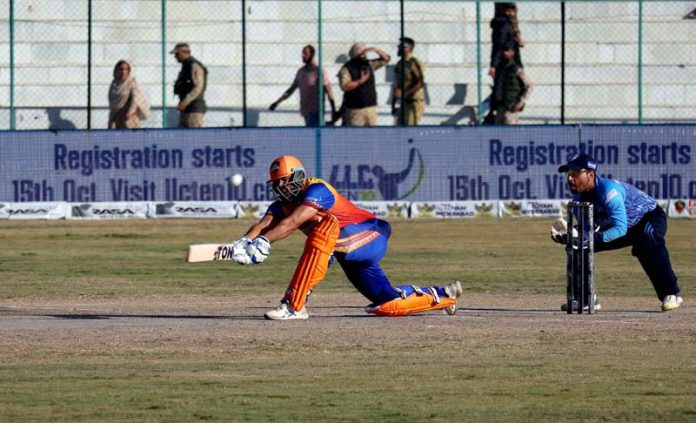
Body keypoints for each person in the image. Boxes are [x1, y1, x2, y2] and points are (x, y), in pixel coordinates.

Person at [229, 155, 463, 320]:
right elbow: (262, 224)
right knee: (386, 304)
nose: (280, 186)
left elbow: (291, 223)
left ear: (298, 177)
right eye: (276, 183)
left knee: (324, 234)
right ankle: (444, 296)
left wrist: (265, 242)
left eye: (284, 180)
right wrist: (244, 242)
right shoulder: (282, 204)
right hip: (348, 252)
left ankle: (294, 306)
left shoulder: (317, 190)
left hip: (371, 233)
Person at [550, 153, 683, 312]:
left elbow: (619, 229)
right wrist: (572, 237)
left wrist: (593, 237)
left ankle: (671, 294)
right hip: (621, 226)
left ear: (591, 175)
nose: (570, 178)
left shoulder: (609, 191)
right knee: (579, 245)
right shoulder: (579, 201)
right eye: (569, 174)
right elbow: (589, 230)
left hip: (648, 218)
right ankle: (586, 298)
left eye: (576, 174)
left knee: (648, 240)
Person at [269, 45, 337, 127]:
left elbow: (329, 91)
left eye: (305, 53)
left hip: (316, 113)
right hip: (305, 113)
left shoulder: (319, 71)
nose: (302, 55)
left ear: (312, 55)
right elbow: (291, 90)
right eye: (302, 53)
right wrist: (277, 102)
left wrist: (333, 111)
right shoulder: (301, 72)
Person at [338, 42, 391, 126]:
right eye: (362, 53)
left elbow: (386, 59)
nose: (365, 55)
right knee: (356, 136)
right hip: (355, 110)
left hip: (371, 107)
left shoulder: (369, 64)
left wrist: (376, 50)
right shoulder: (347, 68)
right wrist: (360, 81)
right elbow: (345, 86)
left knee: (371, 136)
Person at [490, 44, 532, 125]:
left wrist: (521, 102)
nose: (504, 53)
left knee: (510, 135)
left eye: (507, 51)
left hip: (511, 109)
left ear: (512, 53)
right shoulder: (500, 69)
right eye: (503, 51)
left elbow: (529, 85)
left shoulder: (516, 69)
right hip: (500, 108)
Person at [171, 42, 208, 128]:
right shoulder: (186, 66)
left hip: (194, 108)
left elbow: (198, 87)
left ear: (185, 53)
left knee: (194, 137)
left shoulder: (194, 66)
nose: (175, 57)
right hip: (186, 108)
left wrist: (185, 101)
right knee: (183, 136)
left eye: (177, 54)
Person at [392, 37, 426, 126]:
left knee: (409, 130)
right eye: (399, 46)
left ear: (409, 48)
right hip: (404, 103)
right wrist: (394, 103)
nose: (399, 48)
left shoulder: (413, 62)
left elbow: (420, 82)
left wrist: (404, 94)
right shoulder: (399, 64)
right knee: (399, 128)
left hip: (414, 102)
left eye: (402, 46)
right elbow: (398, 86)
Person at [108, 60, 150, 129]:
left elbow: (135, 99)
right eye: (121, 69)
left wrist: (130, 112)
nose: (123, 72)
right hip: (116, 117)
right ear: (116, 70)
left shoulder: (131, 83)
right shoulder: (114, 84)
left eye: (125, 69)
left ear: (128, 71)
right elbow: (111, 101)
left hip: (128, 118)